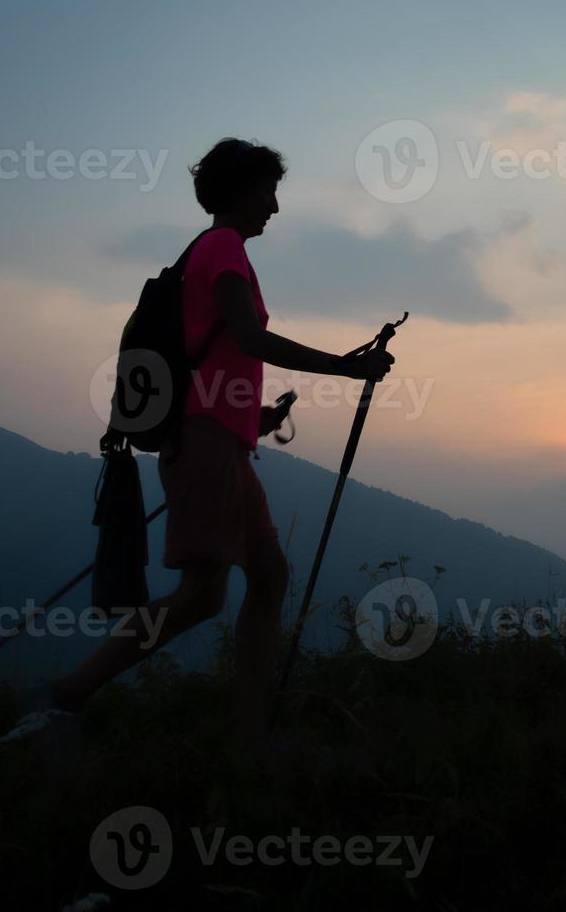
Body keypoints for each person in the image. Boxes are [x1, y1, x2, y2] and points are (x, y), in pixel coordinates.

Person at [50, 138, 395, 742]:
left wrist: (252, 416)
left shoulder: (209, 252)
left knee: (267, 579)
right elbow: (251, 338)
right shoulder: (223, 249)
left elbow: (215, 357)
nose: (275, 207)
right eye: (268, 191)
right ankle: (71, 694)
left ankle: (249, 723)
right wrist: (345, 367)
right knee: (203, 594)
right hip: (205, 446)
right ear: (238, 191)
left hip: (221, 442)